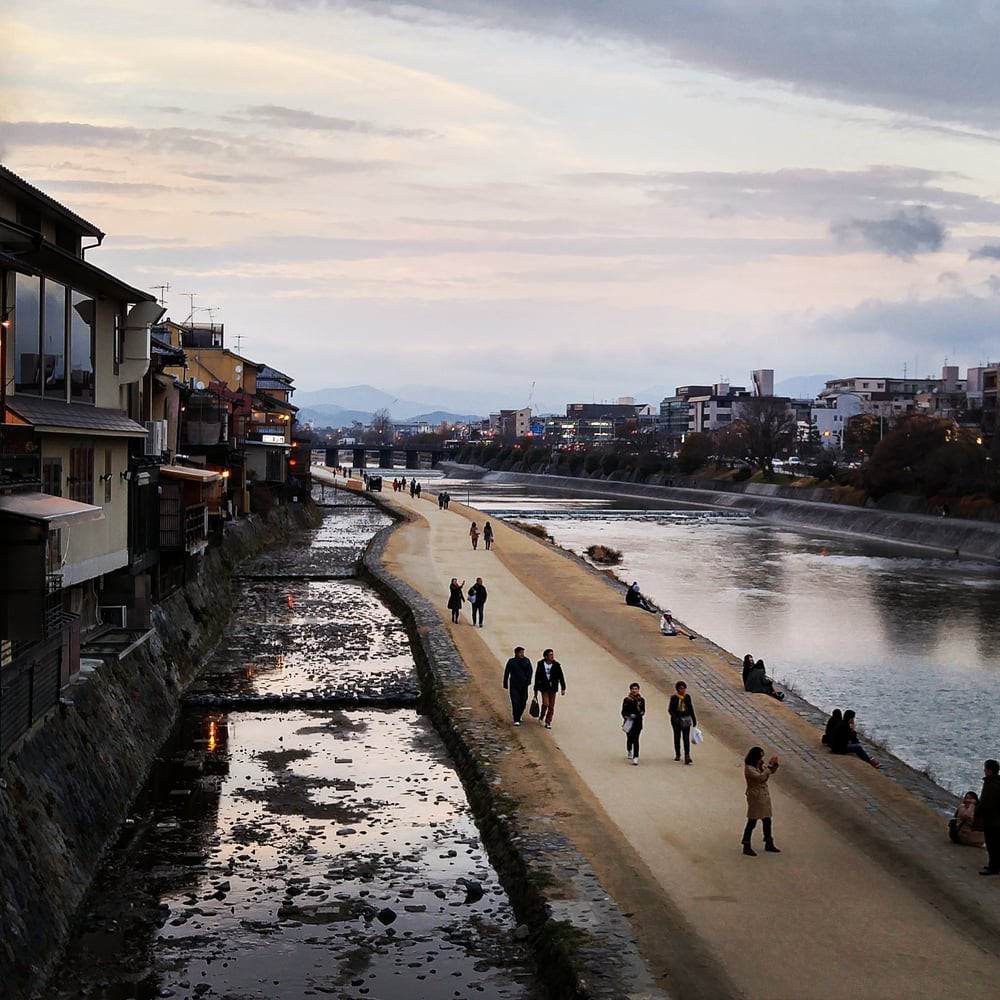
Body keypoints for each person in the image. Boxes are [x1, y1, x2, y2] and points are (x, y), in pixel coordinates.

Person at [742, 746, 781, 856]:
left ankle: (768, 842)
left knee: (767, 820)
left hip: (762, 795)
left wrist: (774, 765)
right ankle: (746, 844)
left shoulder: (757, 765)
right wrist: (769, 767)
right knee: (752, 821)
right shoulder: (749, 768)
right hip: (755, 796)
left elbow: (768, 772)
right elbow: (761, 777)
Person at [974, 759, 1000, 875]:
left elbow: (985, 802)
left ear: (990, 771)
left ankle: (993, 867)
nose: (984, 770)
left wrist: (977, 811)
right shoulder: (997, 783)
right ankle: (995, 866)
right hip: (997, 818)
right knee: (996, 844)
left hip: (992, 819)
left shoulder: (990, 784)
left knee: (991, 843)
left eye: (985, 768)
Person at [533, 648, 566, 729]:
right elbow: (537, 677)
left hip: (553, 688)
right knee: (546, 704)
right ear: (546, 656)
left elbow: (561, 676)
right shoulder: (540, 664)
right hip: (544, 688)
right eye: (550, 655)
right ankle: (542, 715)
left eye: (552, 655)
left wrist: (563, 687)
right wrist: (536, 688)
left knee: (551, 706)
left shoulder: (556, 665)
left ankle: (548, 721)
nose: (552, 656)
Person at [668, 680, 697, 764]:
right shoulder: (674, 698)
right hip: (676, 720)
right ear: (677, 689)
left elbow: (691, 708)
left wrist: (694, 719)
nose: (682, 690)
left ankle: (687, 755)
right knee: (677, 737)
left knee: (686, 738)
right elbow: (670, 710)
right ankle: (678, 754)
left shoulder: (687, 697)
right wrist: (675, 718)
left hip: (686, 719)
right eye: (681, 689)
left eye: (684, 688)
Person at [503, 646, 534, 725]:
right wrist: (505, 683)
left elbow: (530, 671)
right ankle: (516, 719)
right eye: (520, 653)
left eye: (523, 652)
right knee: (515, 701)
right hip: (514, 684)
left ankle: (519, 714)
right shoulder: (511, 661)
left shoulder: (526, 661)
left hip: (523, 685)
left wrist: (528, 680)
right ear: (516, 653)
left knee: (523, 701)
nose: (522, 654)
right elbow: (507, 672)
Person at [621, 682, 646, 765]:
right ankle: (629, 749)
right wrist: (627, 717)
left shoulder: (641, 700)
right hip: (629, 722)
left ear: (638, 690)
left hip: (638, 722)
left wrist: (638, 715)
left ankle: (636, 757)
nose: (634, 690)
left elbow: (643, 711)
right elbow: (623, 711)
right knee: (630, 738)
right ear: (630, 690)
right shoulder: (627, 700)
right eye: (633, 689)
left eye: (636, 689)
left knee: (636, 740)